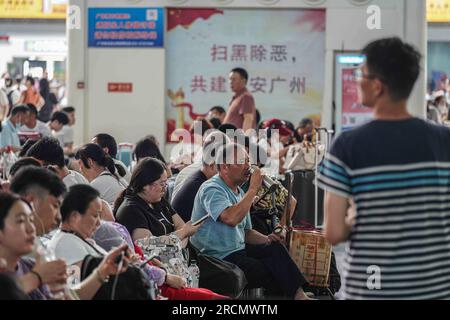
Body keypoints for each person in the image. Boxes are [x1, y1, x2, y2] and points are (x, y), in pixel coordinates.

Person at [317, 37, 450, 300]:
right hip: (435, 287)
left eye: (361, 73)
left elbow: (333, 233)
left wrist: (358, 216)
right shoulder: (443, 139)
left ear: (377, 86)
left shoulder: (347, 145)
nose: (357, 80)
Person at [190, 143, 312, 300]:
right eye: (242, 161)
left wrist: (267, 239)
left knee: (275, 249)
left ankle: (299, 295)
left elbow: (246, 232)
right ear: (225, 167)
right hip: (217, 258)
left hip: (238, 251)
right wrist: (253, 189)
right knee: (269, 271)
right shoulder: (212, 189)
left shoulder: (239, 191)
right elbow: (231, 219)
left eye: (248, 160)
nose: (248, 166)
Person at [114, 157, 201, 246]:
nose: (165, 188)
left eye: (165, 183)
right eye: (162, 184)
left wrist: (178, 240)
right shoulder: (131, 210)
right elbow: (149, 245)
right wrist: (183, 233)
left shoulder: (158, 200)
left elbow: (180, 224)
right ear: (146, 185)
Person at [0, 192, 65, 300]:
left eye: (31, 219)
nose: (31, 228)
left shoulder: (30, 266)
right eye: (20, 221)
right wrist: (36, 277)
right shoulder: (37, 273)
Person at [171, 140, 221, 222]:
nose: (226, 170)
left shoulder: (199, 178)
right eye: (224, 165)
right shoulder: (202, 187)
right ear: (212, 165)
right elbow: (229, 219)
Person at [223, 68, 257, 132]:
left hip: (238, 140)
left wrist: (244, 140)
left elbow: (248, 119)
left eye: (234, 79)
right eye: (230, 79)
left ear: (244, 81)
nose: (230, 82)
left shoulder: (246, 96)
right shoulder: (237, 98)